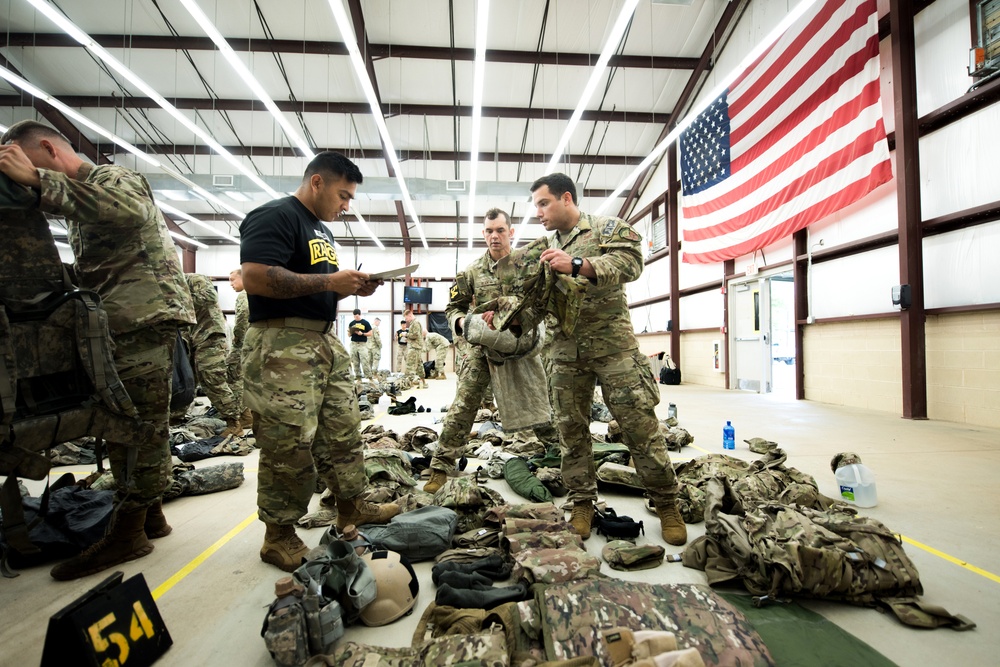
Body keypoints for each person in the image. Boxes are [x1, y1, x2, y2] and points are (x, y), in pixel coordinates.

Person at [0, 120, 197, 580]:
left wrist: (35, 181)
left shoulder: (114, 180)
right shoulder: (77, 205)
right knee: (128, 423)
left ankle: (128, 535)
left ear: (47, 149)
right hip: (121, 325)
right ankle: (149, 516)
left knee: (140, 428)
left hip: (142, 322)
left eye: (23, 165)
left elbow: (127, 210)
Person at [239, 151, 399, 572]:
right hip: (282, 343)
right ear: (317, 182)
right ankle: (278, 534)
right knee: (288, 443)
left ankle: (351, 507)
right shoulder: (274, 216)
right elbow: (256, 277)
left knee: (343, 431)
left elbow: (308, 288)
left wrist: (348, 290)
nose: (346, 205)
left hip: (322, 342)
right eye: (343, 195)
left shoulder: (321, 232)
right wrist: (331, 280)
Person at [531, 173, 686, 546]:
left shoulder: (607, 228)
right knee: (571, 432)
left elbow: (631, 263)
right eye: (535, 205)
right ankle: (582, 502)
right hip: (564, 353)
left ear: (566, 198)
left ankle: (667, 503)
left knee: (640, 428)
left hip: (613, 349)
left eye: (543, 203)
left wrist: (578, 263)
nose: (538, 213)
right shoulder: (541, 248)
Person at [423, 208, 557, 494]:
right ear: (483, 234)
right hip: (484, 346)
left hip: (523, 343)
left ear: (511, 231)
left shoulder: (529, 265)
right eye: (488, 231)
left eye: (499, 230)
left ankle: (561, 455)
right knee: (465, 402)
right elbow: (453, 307)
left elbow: (545, 301)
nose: (494, 236)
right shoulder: (471, 271)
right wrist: (461, 321)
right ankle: (441, 465)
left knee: (540, 402)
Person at [181, 273, 243, 437]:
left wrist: (179, 297)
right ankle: (176, 419)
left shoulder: (194, 279)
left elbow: (209, 296)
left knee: (213, 380)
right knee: (186, 380)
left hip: (210, 336)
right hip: (190, 338)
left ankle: (234, 422)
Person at [228, 268, 252, 428]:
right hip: (254, 344)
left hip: (243, 344)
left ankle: (244, 415)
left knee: (233, 376)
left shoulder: (243, 296)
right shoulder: (256, 294)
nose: (231, 284)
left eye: (232, 280)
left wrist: (237, 339)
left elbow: (242, 318)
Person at [404, 309, 428, 389]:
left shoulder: (415, 323)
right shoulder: (414, 323)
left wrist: (406, 334)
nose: (406, 320)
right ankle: (423, 382)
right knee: (419, 366)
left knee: (410, 365)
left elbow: (415, 335)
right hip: (416, 346)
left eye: (406, 318)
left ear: (410, 315)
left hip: (414, 347)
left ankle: (407, 384)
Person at [348, 308, 374, 380]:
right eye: (355, 316)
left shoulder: (365, 323)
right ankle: (358, 376)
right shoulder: (351, 323)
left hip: (362, 344)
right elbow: (348, 334)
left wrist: (362, 333)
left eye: (357, 316)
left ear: (360, 315)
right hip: (354, 344)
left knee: (364, 361)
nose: (356, 317)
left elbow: (370, 333)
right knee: (355, 361)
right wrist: (351, 332)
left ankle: (369, 377)